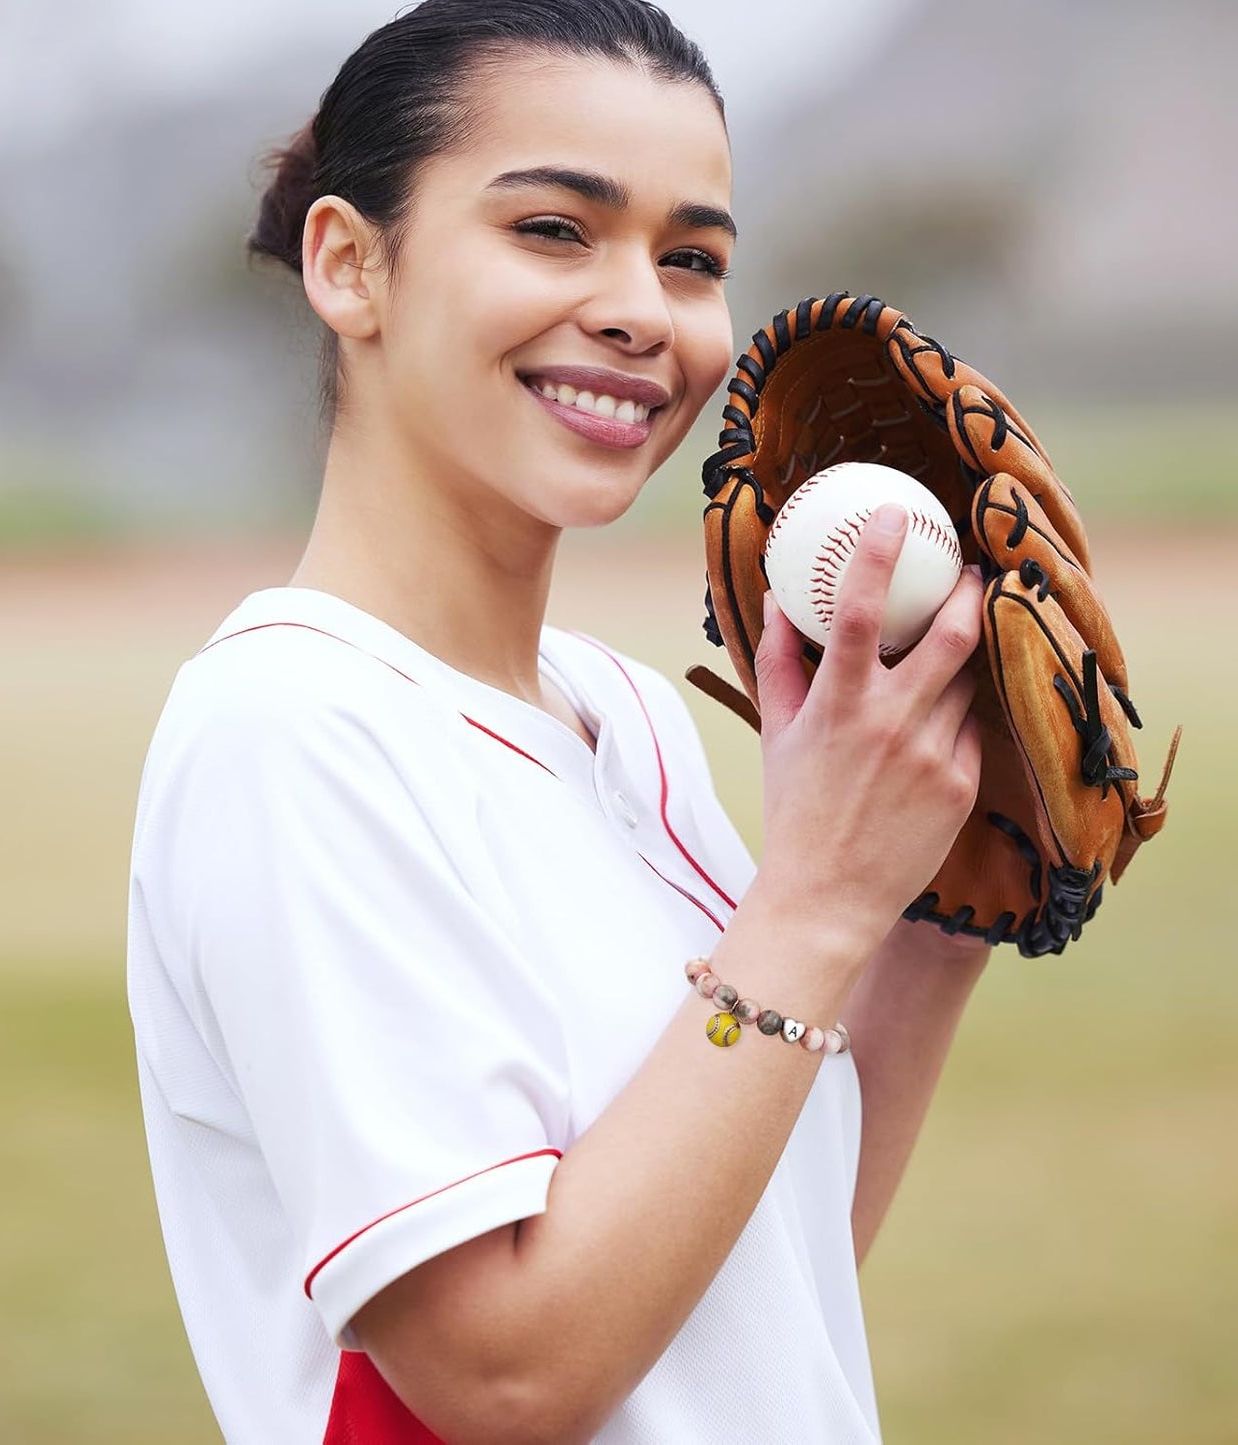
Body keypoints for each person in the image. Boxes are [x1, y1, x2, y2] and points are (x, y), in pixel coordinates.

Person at [125, 2, 991, 1440]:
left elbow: (735, 1276)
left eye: (692, 256)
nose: (642, 309)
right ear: (350, 264)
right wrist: (818, 896)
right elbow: (508, 1375)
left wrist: (920, 923)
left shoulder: (624, 715)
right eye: (551, 230)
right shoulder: (289, 728)